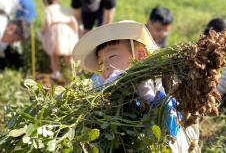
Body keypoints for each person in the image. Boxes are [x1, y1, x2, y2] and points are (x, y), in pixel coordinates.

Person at [72, 21, 200, 153]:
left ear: (139, 56)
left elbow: (171, 135)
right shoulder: (100, 82)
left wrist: (149, 98)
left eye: (112, 56)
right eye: (100, 62)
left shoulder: (165, 82)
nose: (105, 67)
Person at [39, 0, 78, 80]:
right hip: (67, 30)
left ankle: (57, 75)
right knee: (69, 56)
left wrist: (41, 31)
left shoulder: (48, 9)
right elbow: (74, 22)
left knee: (54, 55)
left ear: (45, 1)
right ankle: (77, 74)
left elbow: (48, 22)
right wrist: (74, 33)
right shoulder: (64, 8)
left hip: (55, 31)